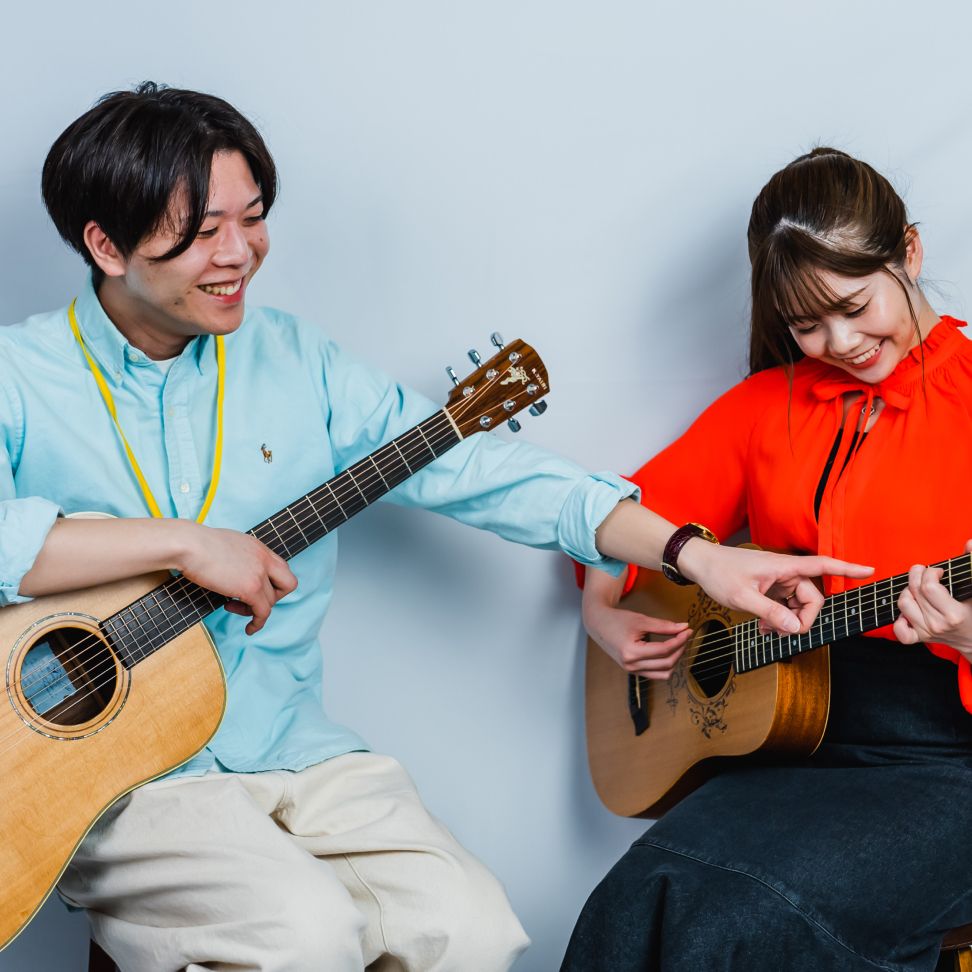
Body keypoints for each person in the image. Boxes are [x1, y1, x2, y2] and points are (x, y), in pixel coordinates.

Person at [2, 85, 867, 972]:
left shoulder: (295, 360)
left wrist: (695, 555)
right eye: (199, 232)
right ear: (105, 245)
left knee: (470, 927)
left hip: (292, 747)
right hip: (118, 778)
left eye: (252, 219)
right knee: (302, 934)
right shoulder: (19, 375)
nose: (238, 253)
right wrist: (184, 543)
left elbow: (484, 473)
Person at [562, 147, 972, 972]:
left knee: (747, 918)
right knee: (641, 896)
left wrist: (965, 637)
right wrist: (600, 607)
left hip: (948, 761)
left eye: (853, 306)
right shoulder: (768, 406)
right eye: (806, 324)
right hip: (797, 741)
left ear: (910, 253)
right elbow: (621, 513)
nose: (840, 342)